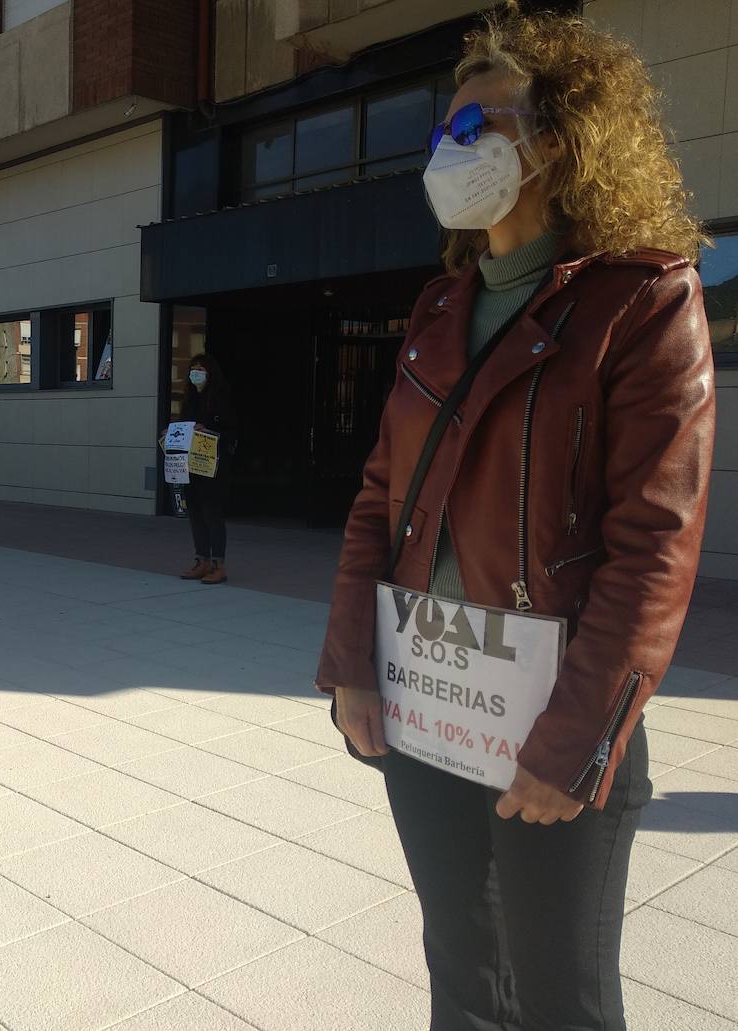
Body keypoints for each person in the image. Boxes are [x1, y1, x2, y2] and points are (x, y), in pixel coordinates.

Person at [318, 10, 714, 1031]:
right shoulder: (441, 309)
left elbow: (652, 545)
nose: (452, 151)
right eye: (444, 132)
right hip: (428, 706)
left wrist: (575, 738)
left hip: (551, 721)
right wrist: (353, 665)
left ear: (559, 140)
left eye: (477, 127)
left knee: (561, 1001)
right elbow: (377, 500)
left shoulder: (644, 302)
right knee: (463, 979)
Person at [177, 354, 234, 585]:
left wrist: (208, 430)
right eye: (193, 369)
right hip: (191, 465)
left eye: (200, 369)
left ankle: (219, 564)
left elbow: (231, 431)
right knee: (195, 513)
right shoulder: (190, 399)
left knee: (212, 514)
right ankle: (202, 560)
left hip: (213, 465)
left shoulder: (221, 399)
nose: (196, 373)